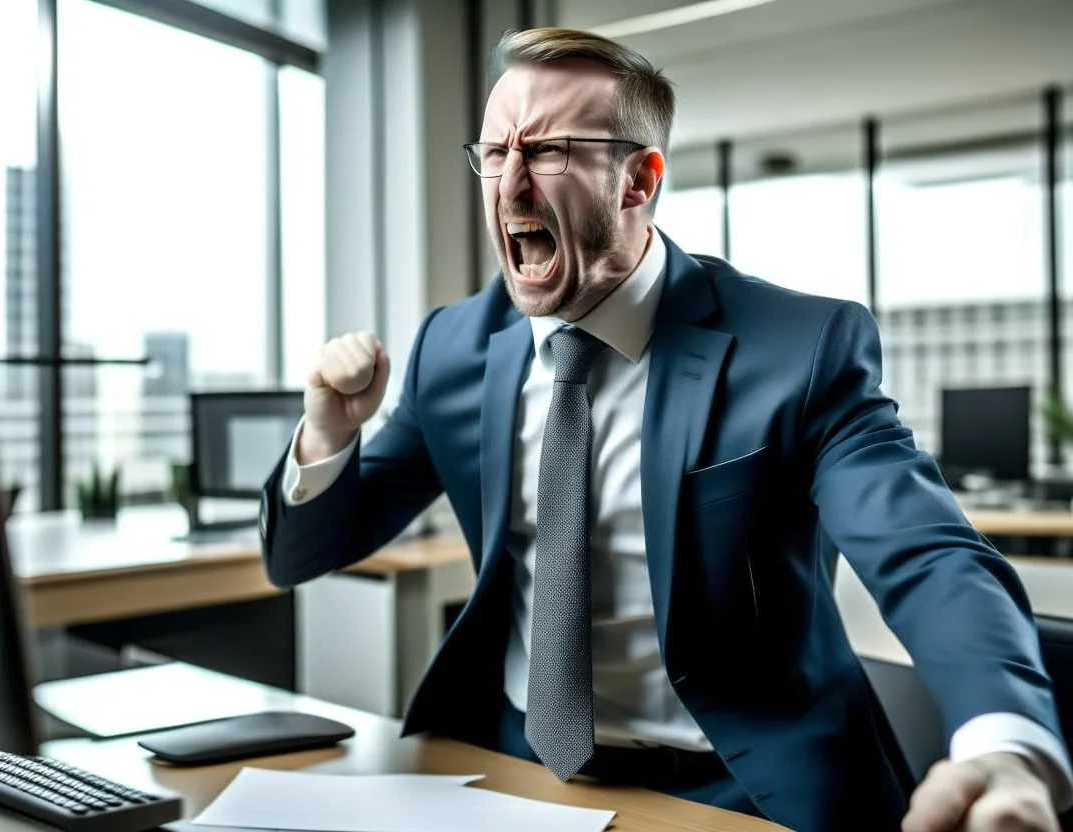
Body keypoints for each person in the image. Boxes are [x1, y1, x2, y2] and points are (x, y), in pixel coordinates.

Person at [259, 26, 1071, 832]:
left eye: (547, 151)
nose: (509, 186)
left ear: (637, 181)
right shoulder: (455, 349)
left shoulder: (797, 349)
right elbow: (301, 555)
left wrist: (1005, 743)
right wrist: (327, 430)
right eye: (496, 152)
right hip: (509, 763)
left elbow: (927, 554)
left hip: (740, 785)